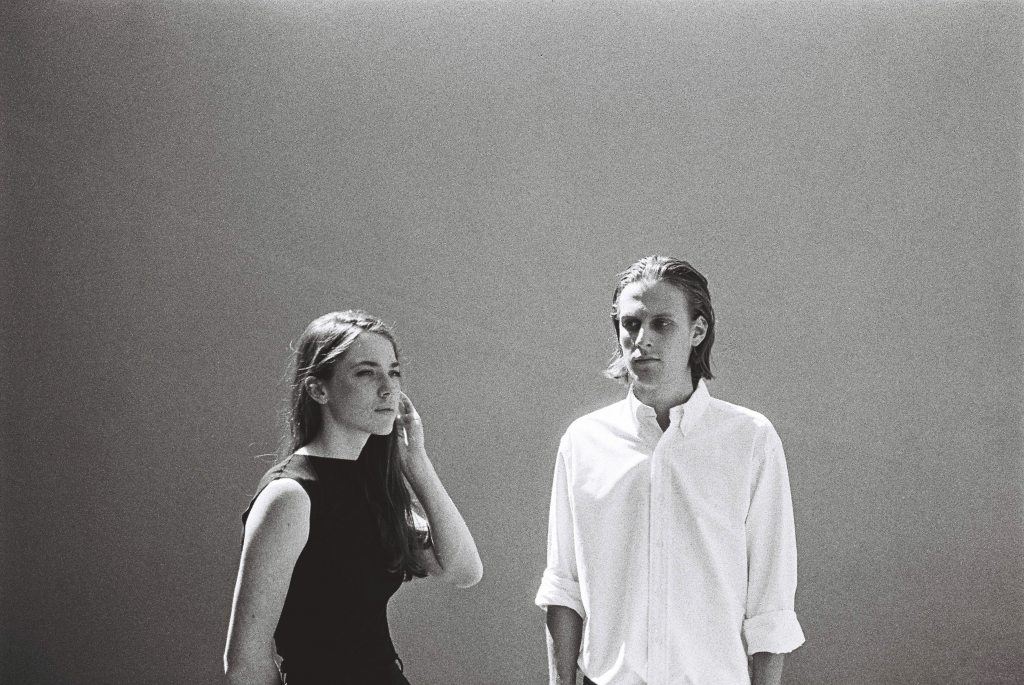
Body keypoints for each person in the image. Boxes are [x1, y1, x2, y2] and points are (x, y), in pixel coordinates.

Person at [536, 256, 805, 685]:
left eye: (662, 324)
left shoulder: (750, 440)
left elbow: (770, 605)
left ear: (698, 331)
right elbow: (564, 589)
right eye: (630, 324)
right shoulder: (583, 442)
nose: (642, 339)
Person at [225, 311, 483, 685]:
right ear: (318, 390)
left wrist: (417, 462)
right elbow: (245, 663)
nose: (388, 388)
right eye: (366, 373)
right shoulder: (290, 496)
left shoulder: (374, 486)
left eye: (394, 372)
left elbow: (464, 571)